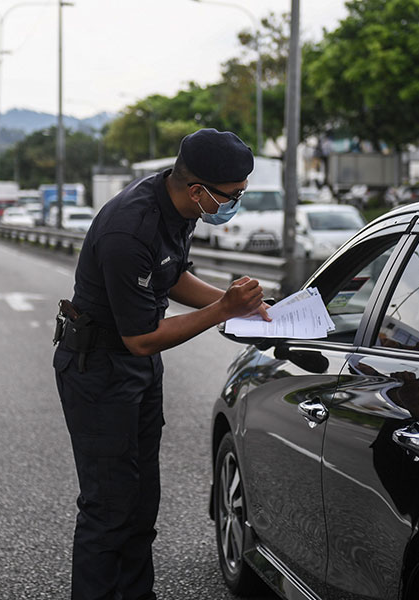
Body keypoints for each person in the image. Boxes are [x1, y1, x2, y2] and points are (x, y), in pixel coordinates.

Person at [53, 128, 270, 600]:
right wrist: (224, 310)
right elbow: (142, 339)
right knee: (108, 508)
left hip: (134, 368)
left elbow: (171, 276)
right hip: (99, 368)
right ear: (198, 190)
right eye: (233, 197)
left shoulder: (180, 204)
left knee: (141, 501)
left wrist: (238, 305)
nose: (237, 204)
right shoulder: (128, 229)